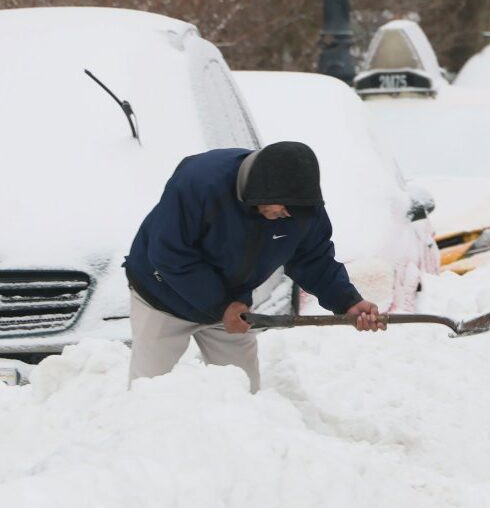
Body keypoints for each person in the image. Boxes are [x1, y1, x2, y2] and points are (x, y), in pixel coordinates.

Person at [124, 141, 385, 391]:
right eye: (281, 208)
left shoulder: (302, 207)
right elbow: (170, 254)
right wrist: (222, 305)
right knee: (149, 392)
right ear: (260, 187)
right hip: (162, 297)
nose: (286, 215)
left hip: (231, 307)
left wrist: (347, 301)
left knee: (243, 397)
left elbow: (313, 259)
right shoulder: (200, 183)